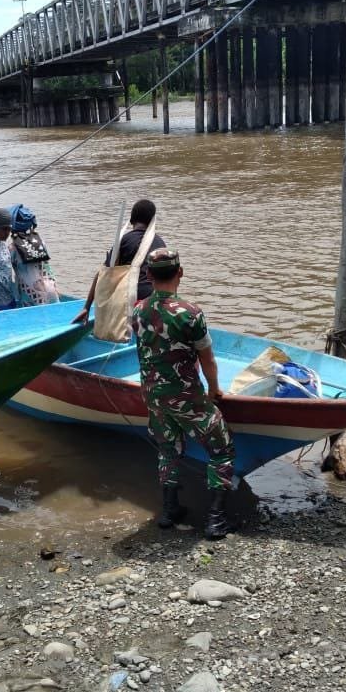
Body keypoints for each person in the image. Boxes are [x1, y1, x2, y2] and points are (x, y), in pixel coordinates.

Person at [132, 248, 235, 540]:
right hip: (187, 398)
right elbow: (208, 359)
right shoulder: (191, 314)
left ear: (149, 276)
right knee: (221, 450)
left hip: (153, 396)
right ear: (180, 272)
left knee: (168, 450)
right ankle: (216, 520)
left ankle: (168, 510)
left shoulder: (138, 310)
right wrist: (214, 390)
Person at [74, 199, 166, 325]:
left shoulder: (125, 240)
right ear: (152, 221)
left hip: (132, 300)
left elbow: (103, 274)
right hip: (156, 301)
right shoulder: (161, 243)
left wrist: (87, 307)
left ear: (132, 219)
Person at [9, 204, 60, 306]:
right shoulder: (40, 242)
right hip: (51, 289)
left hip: (30, 294)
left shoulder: (12, 248)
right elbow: (47, 268)